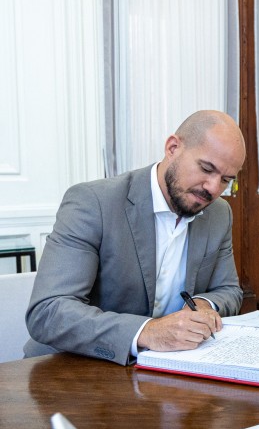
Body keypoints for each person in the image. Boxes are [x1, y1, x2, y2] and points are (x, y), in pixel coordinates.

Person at [25, 110, 246, 366]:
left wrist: (203, 304)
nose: (213, 188)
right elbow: (48, 312)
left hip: (166, 372)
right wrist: (147, 331)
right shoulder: (93, 202)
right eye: (206, 169)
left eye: (226, 180)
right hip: (71, 370)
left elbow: (229, 290)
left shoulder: (219, 213)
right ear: (173, 147)